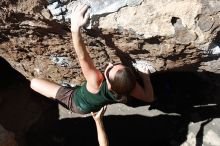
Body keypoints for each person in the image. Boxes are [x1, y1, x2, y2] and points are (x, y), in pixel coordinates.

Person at [30, 3, 154, 114]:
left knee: (34, 82)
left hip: (75, 103)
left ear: (109, 84)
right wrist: (145, 76)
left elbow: (83, 57)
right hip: (91, 107)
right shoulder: (127, 86)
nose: (110, 64)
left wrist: (75, 28)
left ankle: (62, 97)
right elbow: (149, 98)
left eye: (110, 69)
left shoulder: (96, 81)